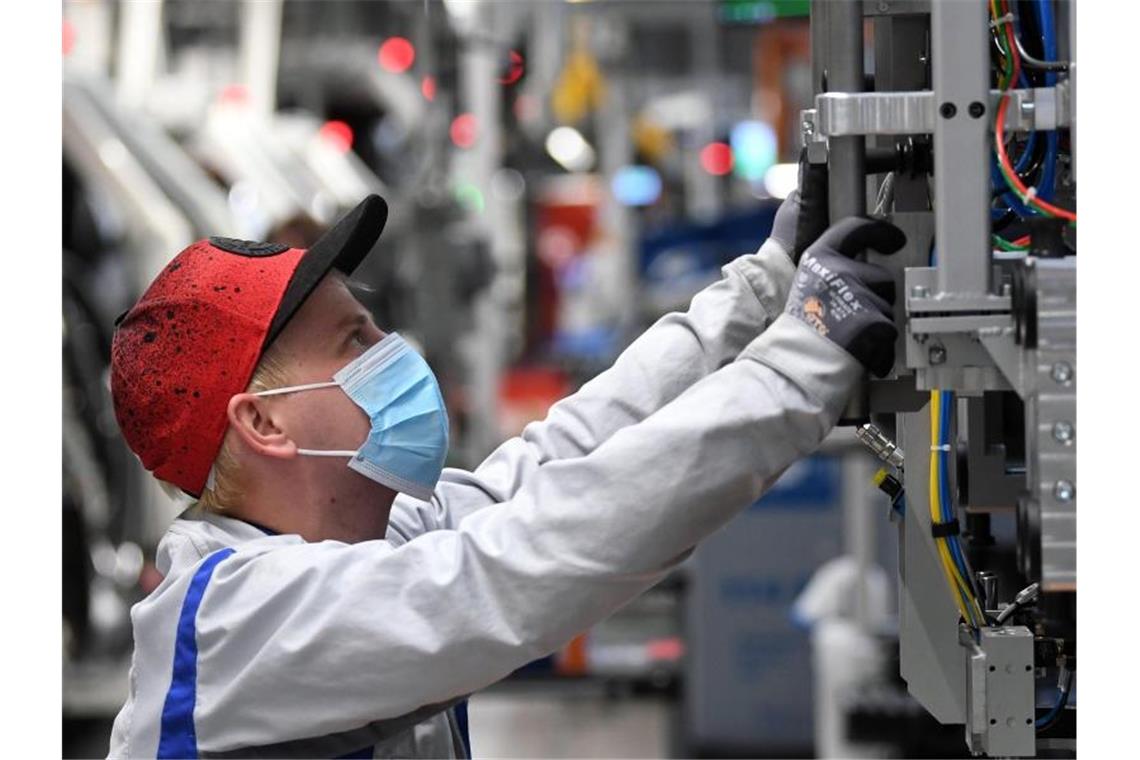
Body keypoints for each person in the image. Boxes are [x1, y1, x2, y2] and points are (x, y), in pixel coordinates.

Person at [106, 185, 904, 758]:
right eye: (356, 342)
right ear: (263, 422)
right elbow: (521, 564)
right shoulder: (233, 619)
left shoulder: (363, 541)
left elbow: (558, 461)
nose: (396, 353)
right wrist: (802, 357)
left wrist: (767, 288)